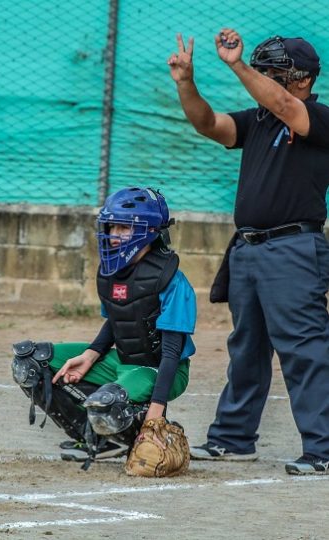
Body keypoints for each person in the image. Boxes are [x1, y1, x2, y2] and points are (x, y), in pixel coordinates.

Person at [168, 29, 329, 475]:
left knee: (305, 350)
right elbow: (208, 124)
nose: (263, 79)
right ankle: (233, 439)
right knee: (247, 348)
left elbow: (286, 107)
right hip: (250, 249)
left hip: (294, 249)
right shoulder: (259, 120)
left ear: (301, 79)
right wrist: (186, 82)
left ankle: (324, 448)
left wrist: (236, 65)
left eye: (272, 72)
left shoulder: (315, 116)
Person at [11, 187, 196, 468]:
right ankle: (95, 439)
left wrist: (156, 413)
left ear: (147, 232)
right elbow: (119, 320)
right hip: (120, 359)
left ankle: (134, 433)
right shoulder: (111, 272)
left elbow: (172, 352)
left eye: (124, 227)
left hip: (159, 368)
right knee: (31, 362)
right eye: (111, 226)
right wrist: (91, 354)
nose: (113, 234)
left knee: (106, 401)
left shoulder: (171, 279)